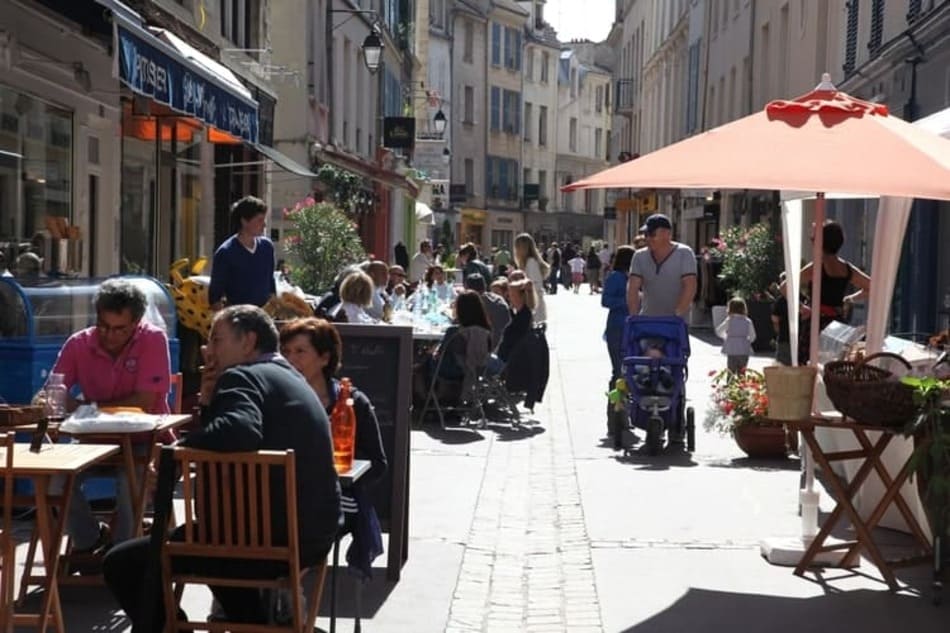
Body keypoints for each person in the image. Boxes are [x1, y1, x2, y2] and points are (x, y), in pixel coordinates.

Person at [103, 306, 342, 629]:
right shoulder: (289, 377)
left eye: (216, 339)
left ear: (249, 342)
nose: (208, 350)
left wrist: (176, 451)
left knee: (122, 563)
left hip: (262, 541)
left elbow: (239, 430)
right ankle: (255, 623)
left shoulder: (243, 375)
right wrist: (207, 400)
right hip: (308, 536)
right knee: (213, 535)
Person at [50, 279, 171, 559]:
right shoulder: (79, 343)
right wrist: (49, 400)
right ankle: (89, 538)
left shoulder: (153, 339)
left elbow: (145, 401)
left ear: (137, 323)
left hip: (145, 441)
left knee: (133, 480)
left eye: (120, 329)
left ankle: (121, 555)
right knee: (55, 480)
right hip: (92, 441)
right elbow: (53, 390)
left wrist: (86, 407)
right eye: (104, 326)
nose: (110, 335)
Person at [279, 318, 386, 578]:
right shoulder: (277, 397)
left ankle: (285, 596)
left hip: (336, 496)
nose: (291, 359)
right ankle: (277, 598)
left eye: (300, 352)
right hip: (283, 496)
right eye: (286, 352)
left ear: (324, 358)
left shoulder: (351, 402)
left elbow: (378, 463)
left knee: (303, 529)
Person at [787, 220, 871, 364]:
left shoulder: (816, 267)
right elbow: (871, 287)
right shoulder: (846, 268)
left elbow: (786, 286)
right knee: (834, 366)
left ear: (820, 242)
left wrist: (802, 307)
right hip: (837, 327)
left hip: (815, 325)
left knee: (809, 367)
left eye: (813, 239)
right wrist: (850, 299)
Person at [209, 196, 276, 309]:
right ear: (244, 221)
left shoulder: (267, 247)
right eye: (259, 220)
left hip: (264, 316)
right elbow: (215, 296)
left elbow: (270, 282)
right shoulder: (226, 253)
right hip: (239, 318)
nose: (264, 225)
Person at [627, 214, 697, 319]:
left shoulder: (684, 253)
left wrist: (676, 315)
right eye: (646, 234)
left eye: (652, 234)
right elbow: (633, 288)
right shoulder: (639, 256)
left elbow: (690, 286)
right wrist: (634, 316)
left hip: (676, 323)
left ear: (667, 234)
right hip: (647, 320)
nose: (648, 238)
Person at [602, 245, 634, 435]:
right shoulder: (616, 277)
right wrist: (628, 300)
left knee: (630, 371)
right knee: (618, 371)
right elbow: (605, 301)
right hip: (617, 328)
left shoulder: (635, 278)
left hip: (633, 329)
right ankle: (615, 416)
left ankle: (626, 413)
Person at [465, 273, 510, 350]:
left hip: (486, 351)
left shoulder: (471, 304)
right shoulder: (499, 299)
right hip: (505, 346)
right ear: (485, 286)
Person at [513, 233, 550, 323]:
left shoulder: (531, 262)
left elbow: (535, 285)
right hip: (530, 307)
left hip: (533, 308)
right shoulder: (526, 262)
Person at [716, 297, 757, 374]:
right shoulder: (748, 321)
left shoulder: (729, 320)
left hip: (732, 348)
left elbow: (719, 331)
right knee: (742, 371)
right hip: (744, 348)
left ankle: (730, 384)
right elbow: (753, 336)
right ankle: (741, 385)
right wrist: (747, 340)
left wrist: (726, 337)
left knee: (730, 371)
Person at [771, 273, 792, 366]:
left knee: (782, 365)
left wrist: (778, 332)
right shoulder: (801, 298)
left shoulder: (780, 301)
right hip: (800, 338)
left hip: (784, 337)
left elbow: (775, 319)